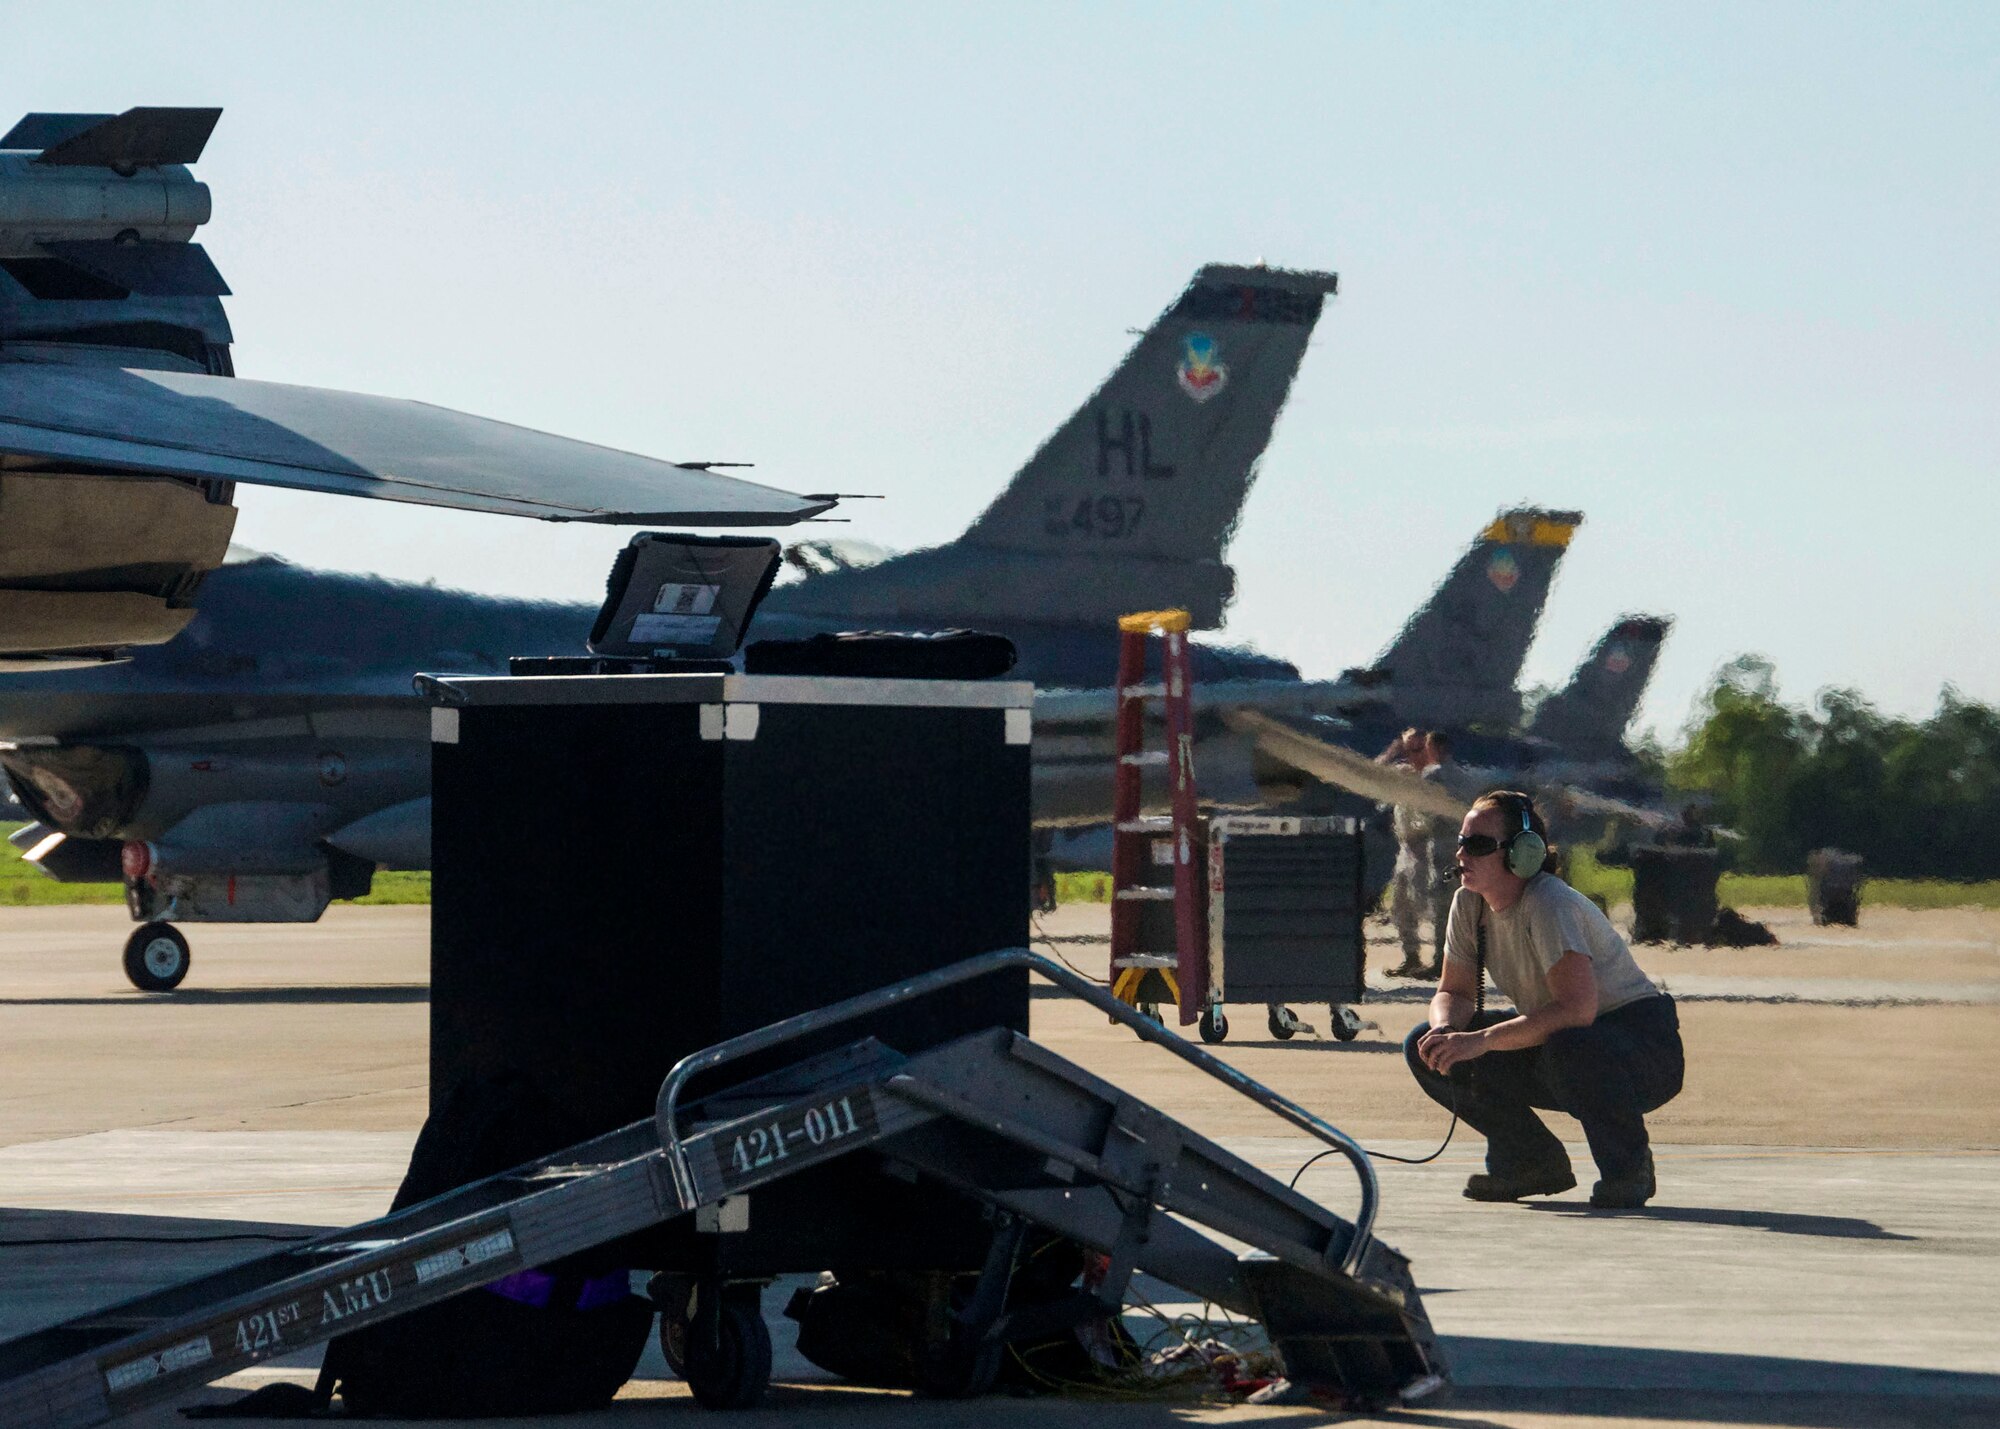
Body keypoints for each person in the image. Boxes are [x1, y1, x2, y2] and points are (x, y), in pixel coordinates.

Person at [1404, 791, 1684, 1209]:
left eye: (1477, 845)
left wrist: (1480, 1041)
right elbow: (1454, 992)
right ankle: (1529, 1162)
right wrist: (1448, 1030)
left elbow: (1577, 1010)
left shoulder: (1549, 903)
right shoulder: (1468, 904)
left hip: (1639, 1046)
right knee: (1423, 1044)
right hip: (1564, 1041)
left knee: (1570, 1046)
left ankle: (1628, 1170)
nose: (1462, 854)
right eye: (1461, 842)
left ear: (1523, 855)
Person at [1385, 735, 1438, 977]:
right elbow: (1368, 774)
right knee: (1400, 906)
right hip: (1405, 847)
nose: (1412, 756)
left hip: (1426, 844)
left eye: (1417, 750)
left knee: (1429, 905)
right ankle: (1411, 956)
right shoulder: (1403, 774)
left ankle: (1442, 960)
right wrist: (1391, 752)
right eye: (1408, 751)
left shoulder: (1435, 777)